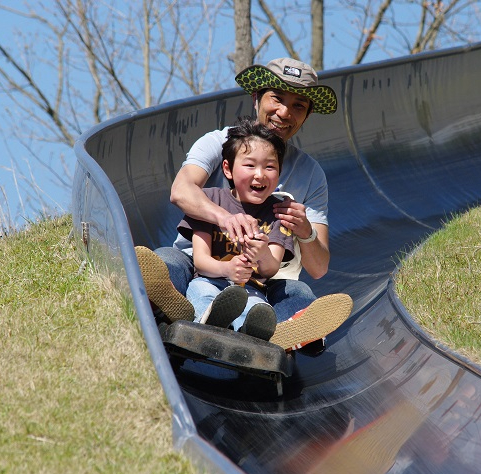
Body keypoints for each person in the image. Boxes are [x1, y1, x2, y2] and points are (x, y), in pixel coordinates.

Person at [136, 57, 351, 352]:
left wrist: (305, 232)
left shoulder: (310, 174)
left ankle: (287, 334)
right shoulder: (222, 143)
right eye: (277, 98)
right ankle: (175, 306)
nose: (284, 112)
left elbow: (318, 268)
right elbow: (181, 190)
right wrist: (225, 218)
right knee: (169, 261)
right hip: (201, 263)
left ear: (306, 115)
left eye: (298, 105)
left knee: (297, 290)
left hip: (264, 278)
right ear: (256, 99)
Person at [178, 118, 294, 340]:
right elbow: (200, 260)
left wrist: (262, 254)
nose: (260, 174)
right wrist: (227, 270)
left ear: (279, 172)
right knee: (202, 293)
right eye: (250, 165)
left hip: (251, 288)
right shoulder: (210, 200)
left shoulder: (278, 211)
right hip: (211, 278)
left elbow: (270, 269)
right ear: (228, 169)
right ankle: (210, 322)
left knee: (257, 308)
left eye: (269, 166)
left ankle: (250, 335)